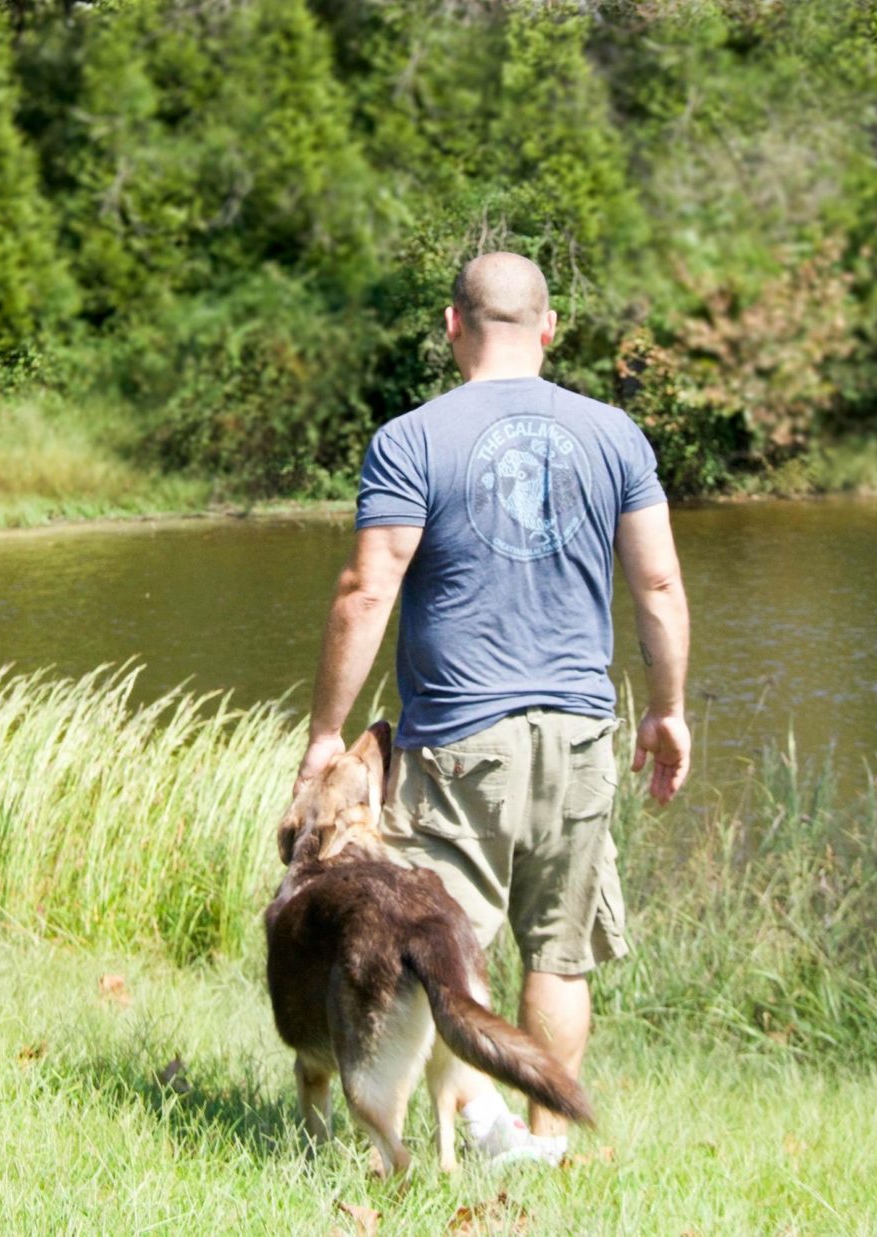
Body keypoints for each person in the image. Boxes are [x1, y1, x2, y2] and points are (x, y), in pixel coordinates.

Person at [292, 251, 691, 1166]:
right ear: (549, 329)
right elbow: (660, 583)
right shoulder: (617, 436)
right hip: (584, 732)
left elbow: (365, 590)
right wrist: (667, 710)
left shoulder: (411, 438)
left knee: (439, 943)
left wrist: (325, 735)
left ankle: (483, 1138)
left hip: (460, 737)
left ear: (450, 326)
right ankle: (539, 1140)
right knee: (560, 951)